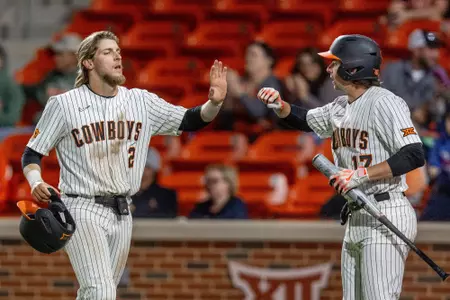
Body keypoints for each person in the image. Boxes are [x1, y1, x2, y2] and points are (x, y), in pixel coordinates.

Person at [20, 30, 228, 300]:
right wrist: (36, 182)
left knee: (98, 292)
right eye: (108, 51)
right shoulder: (64, 104)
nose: (117, 55)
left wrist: (214, 103)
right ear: (88, 62)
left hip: (122, 210)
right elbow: (31, 154)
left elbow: (190, 120)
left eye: (118, 51)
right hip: (81, 206)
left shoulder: (140, 101)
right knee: (101, 290)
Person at [257, 34, 425, 299]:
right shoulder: (340, 106)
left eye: (334, 63)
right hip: (358, 212)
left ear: (353, 67)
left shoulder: (385, 102)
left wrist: (361, 174)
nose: (328, 69)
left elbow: (414, 154)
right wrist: (280, 106)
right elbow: (304, 120)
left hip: (386, 209)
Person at [131, 147, 178, 218]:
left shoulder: (166, 195)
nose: (142, 170)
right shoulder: (125, 194)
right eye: (138, 166)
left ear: (155, 169)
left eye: (147, 167)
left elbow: (168, 221)